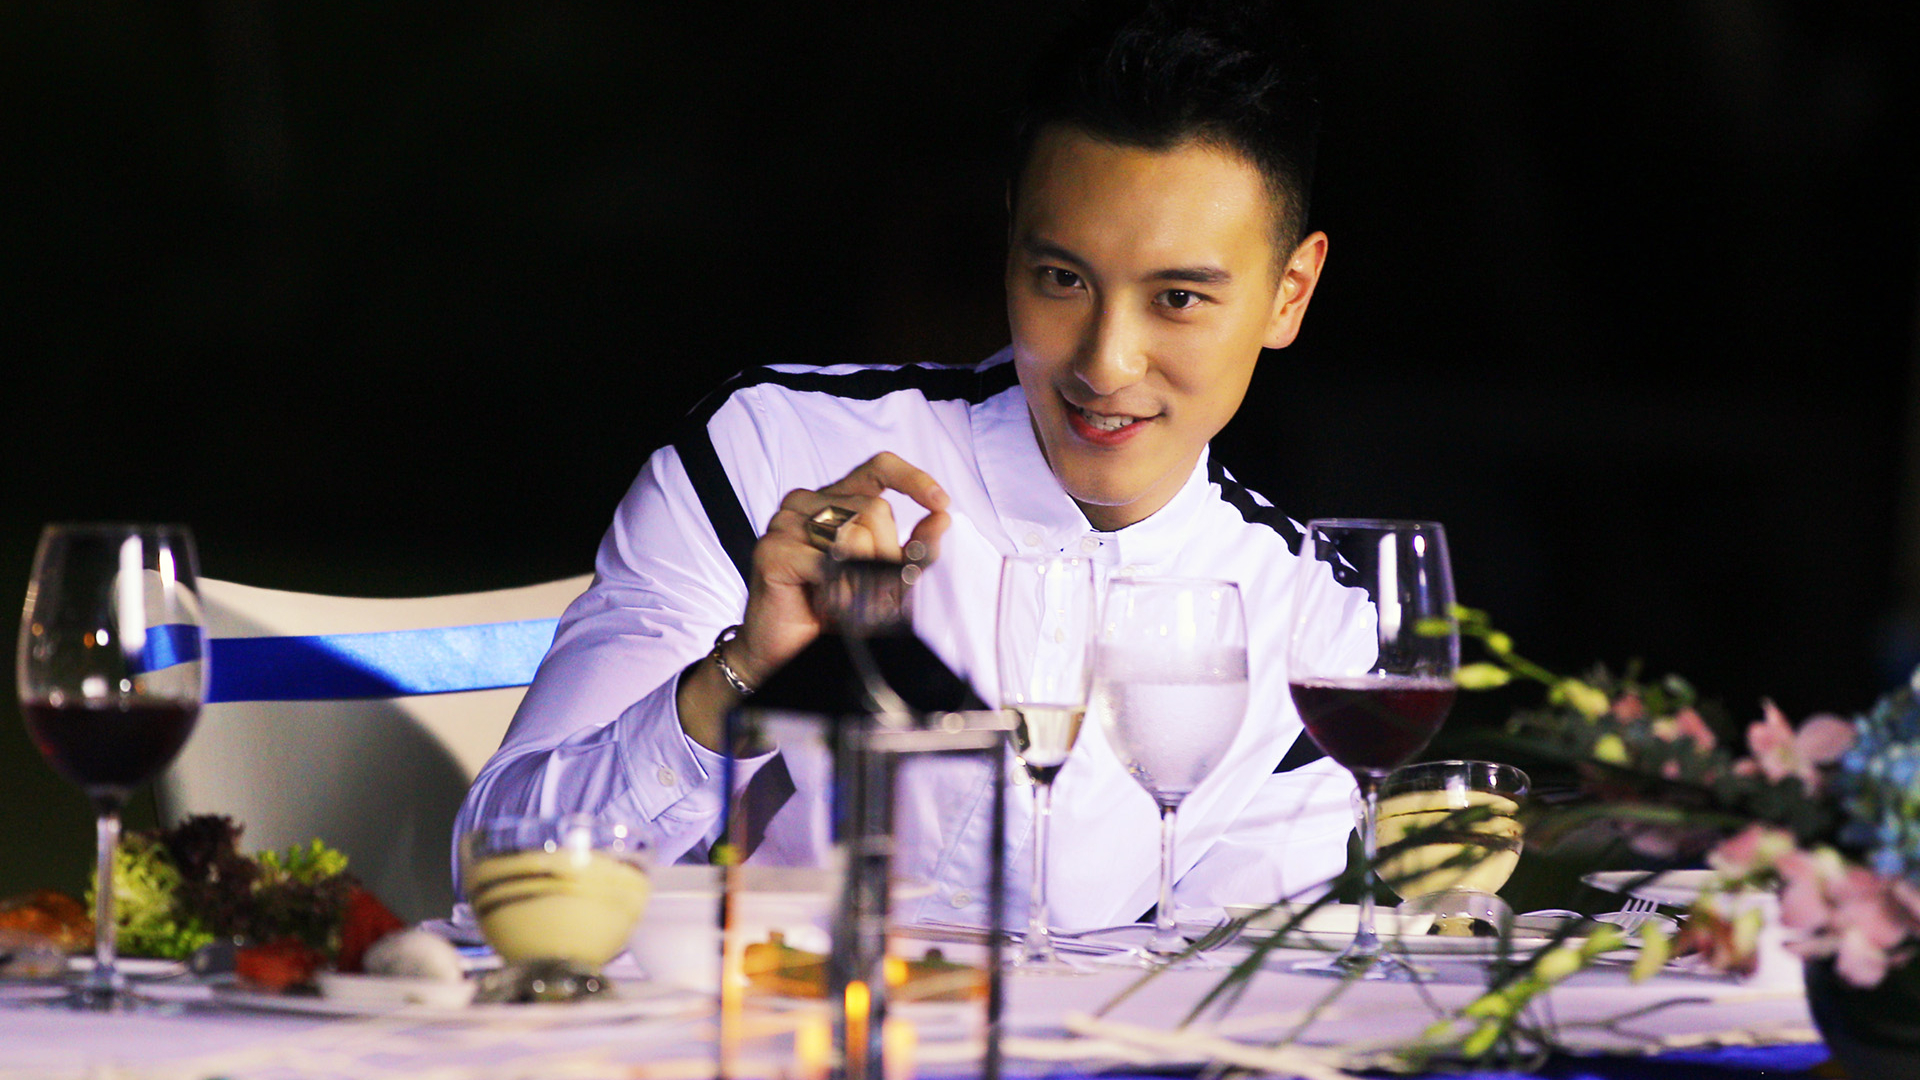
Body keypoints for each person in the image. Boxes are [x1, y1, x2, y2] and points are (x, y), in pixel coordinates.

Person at [456, 0, 1372, 929]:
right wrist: (741, 672)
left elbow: (1246, 975)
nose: (1104, 363)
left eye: (1177, 298)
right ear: (1011, 241)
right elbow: (499, 868)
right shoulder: (771, 454)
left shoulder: (1314, 617)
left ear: (1288, 294)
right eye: (1062, 279)